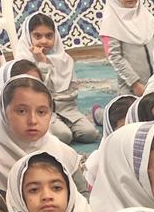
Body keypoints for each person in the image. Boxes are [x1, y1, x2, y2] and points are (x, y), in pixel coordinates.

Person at [0, 77, 86, 194]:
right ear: (4, 112)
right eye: (21, 111)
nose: (33, 120)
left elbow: (83, 196)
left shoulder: (63, 153)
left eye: (41, 112)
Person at [14, 12, 96, 143]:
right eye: (37, 36)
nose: (44, 41)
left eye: (49, 36)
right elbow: (35, 93)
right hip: (42, 111)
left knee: (90, 134)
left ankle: (90, 116)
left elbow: (73, 90)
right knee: (64, 135)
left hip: (67, 109)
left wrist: (58, 99)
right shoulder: (24, 63)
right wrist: (42, 62)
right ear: (28, 37)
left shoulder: (65, 59)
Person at [99, 0, 154, 96]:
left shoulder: (147, 17)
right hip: (131, 88)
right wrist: (135, 83)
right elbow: (115, 58)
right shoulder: (111, 23)